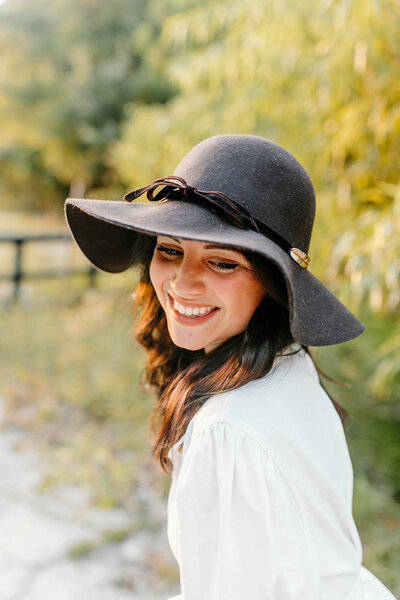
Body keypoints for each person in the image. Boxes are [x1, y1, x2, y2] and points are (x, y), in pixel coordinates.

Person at [65, 135, 397, 599]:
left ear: (274, 285)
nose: (183, 282)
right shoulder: (288, 367)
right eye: (170, 250)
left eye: (222, 262)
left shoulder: (229, 433)